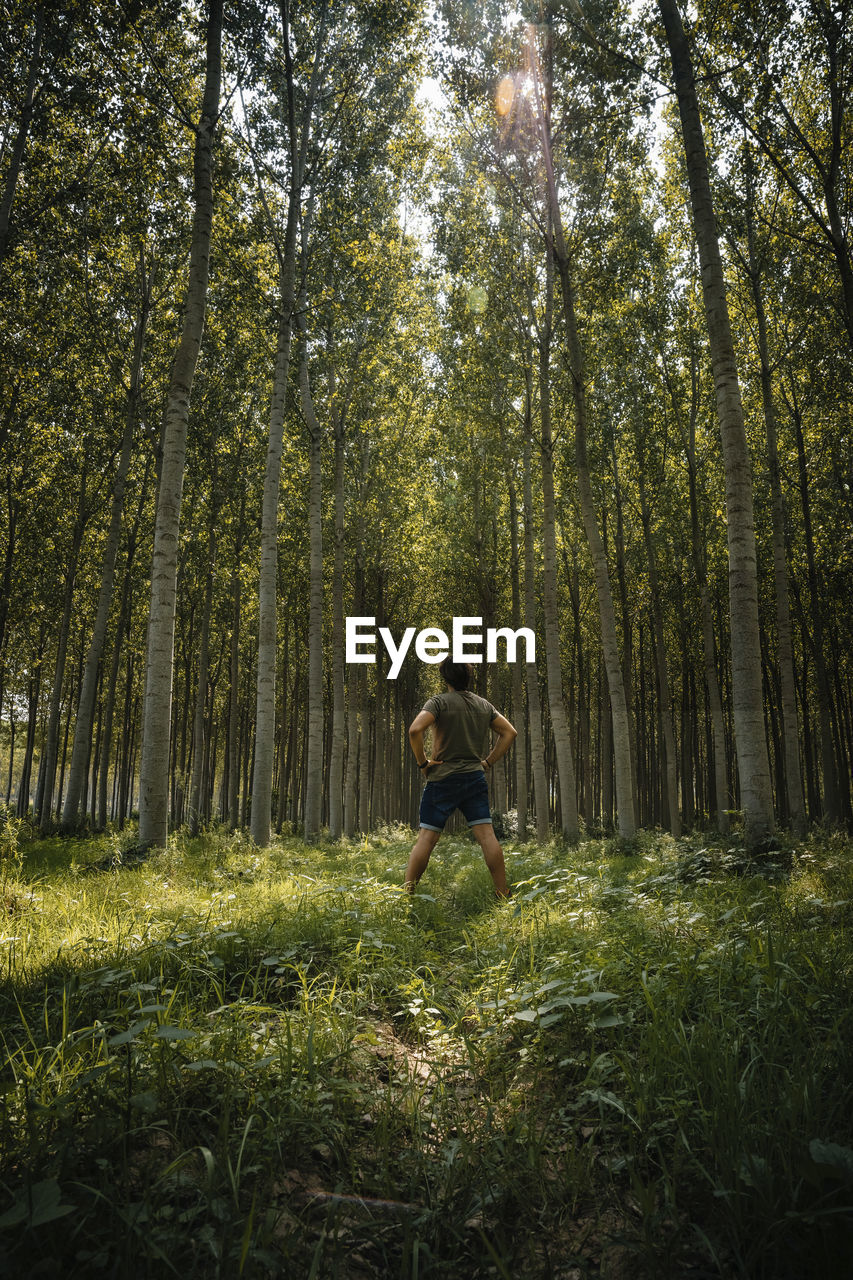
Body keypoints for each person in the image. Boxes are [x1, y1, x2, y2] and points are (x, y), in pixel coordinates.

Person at [405, 656, 517, 897]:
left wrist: (423, 763)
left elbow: (415, 729)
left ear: (445, 677)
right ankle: (502, 892)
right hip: (474, 778)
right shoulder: (483, 705)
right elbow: (509, 732)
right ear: (468, 677)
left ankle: (408, 896)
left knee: (427, 838)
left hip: (441, 779)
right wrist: (487, 762)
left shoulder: (438, 702)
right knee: (487, 836)